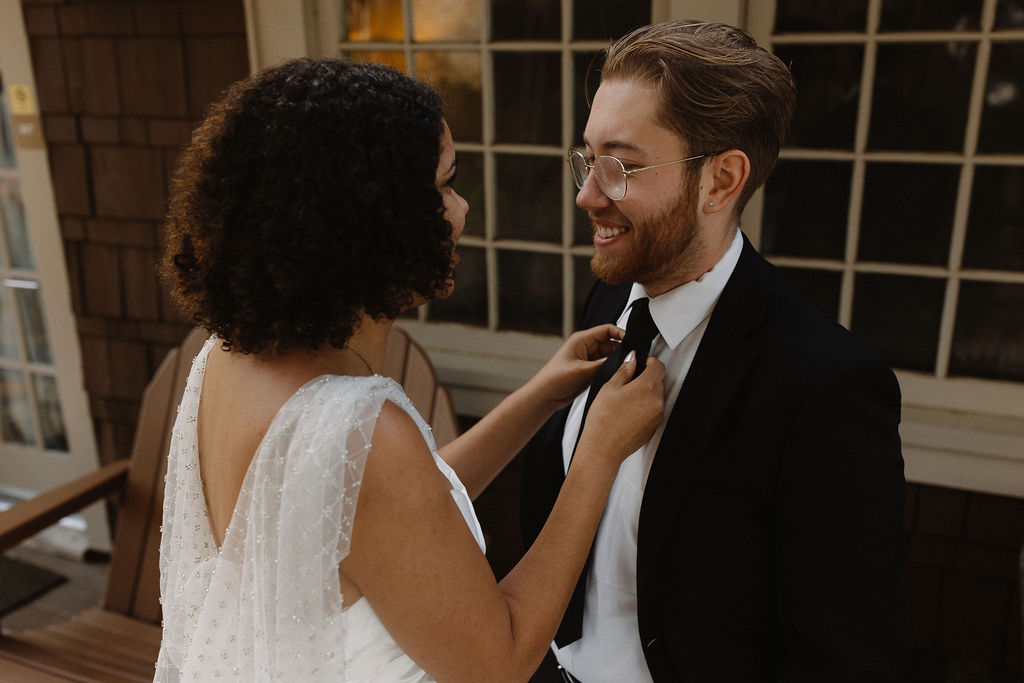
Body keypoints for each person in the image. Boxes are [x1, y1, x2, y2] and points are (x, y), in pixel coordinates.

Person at [154, 58, 665, 682]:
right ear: (370, 216)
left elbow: (380, 522)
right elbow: (498, 663)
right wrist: (598, 453)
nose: (463, 209)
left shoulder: (224, 359)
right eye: (445, 186)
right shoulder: (361, 430)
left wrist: (537, 398)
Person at [520, 20, 906, 682]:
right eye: (587, 158)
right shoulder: (611, 302)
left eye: (620, 165)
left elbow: (839, 660)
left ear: (722, 180)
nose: (586, 193)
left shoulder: (826, 387)